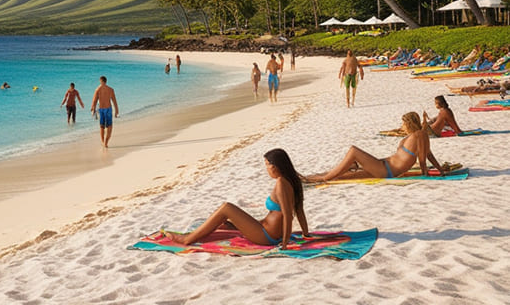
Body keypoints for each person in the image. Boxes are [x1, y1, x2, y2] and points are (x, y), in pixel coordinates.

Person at [163, 149, 309, 249]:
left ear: (275, 166)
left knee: (226, 207)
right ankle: (197, 234)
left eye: (267, 165)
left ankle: (186, 239)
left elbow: (288, 216)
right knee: (226, 224)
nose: (266, 169)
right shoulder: (293, 181)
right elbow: (300, 211)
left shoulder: (281, 183)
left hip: (267, 236)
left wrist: (284, 244)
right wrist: (306, 233)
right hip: (267, 230)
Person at [303, 112, 444, 182]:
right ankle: (307, 178)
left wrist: (424, 174)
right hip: (383, 167)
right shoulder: (417, 136)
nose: (401, 127)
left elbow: (423, 158)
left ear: (409, 124)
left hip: (386, 170)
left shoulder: (418, 135)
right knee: (345, 175)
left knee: (353, 151)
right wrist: (440, 169)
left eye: (403, 124)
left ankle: (324, 178)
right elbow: (429, 155)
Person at [91, 75, 119, 148]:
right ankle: (105, 142)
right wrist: (116, 110)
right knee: (109, 126)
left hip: (101, 109)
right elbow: (114, 100)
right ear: (106, 81)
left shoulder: (97, 89)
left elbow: (94, 101)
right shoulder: (110, 89)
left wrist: (93, 108)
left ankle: (103, 142)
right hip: (108, 109)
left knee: (102, 126)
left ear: (100, 81)